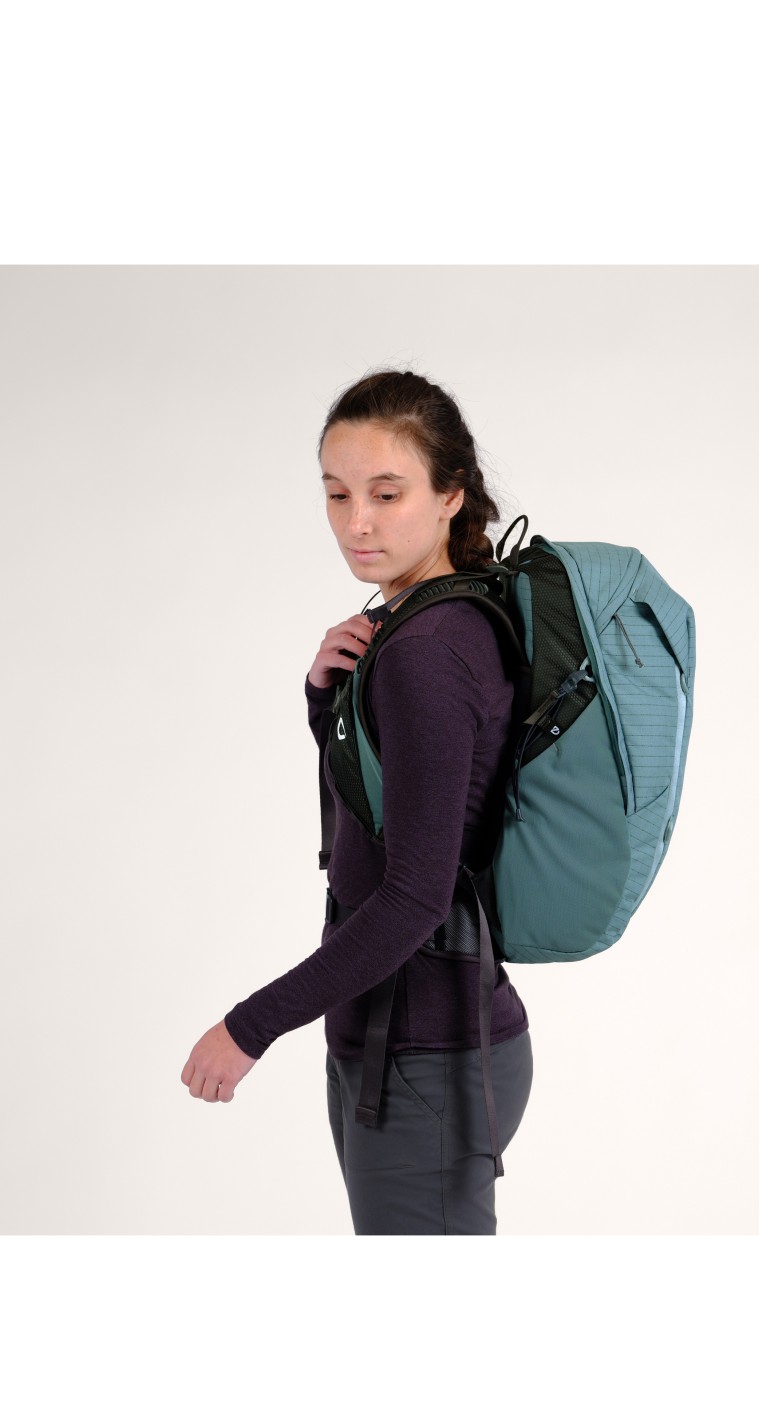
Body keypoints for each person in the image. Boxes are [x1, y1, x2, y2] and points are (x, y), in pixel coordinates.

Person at [179, 369, 534, 1234]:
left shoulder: (426, 650)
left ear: (451, 494)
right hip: (419, 1045)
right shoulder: (443, 620)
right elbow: (385, 815)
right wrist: (326, 698)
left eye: (386, 492)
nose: (356, 523)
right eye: (337, 494)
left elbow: (412, 897)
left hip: (422, 1058)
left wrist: (249, 1026)